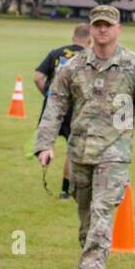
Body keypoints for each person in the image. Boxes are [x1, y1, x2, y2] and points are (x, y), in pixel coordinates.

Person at [35, 4, 135, 269]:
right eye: (97, 25)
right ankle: (91, 254)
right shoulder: (74, 67)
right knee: (86, 215)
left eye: (108, 25)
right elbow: (55, 105)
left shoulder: (134, 66)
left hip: (114, 154)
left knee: (102, 209)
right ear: (90, 29)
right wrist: (45, 144)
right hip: (80, 151)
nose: (103, 30)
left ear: (118, 29)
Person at [33, 24, 90, 200]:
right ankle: (66, 191)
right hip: (75, 109)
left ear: (73, 38)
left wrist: (48, 95)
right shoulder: (88, 57)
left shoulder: (56, 53)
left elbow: (38, 76)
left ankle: (44, 152)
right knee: (72, 150)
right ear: (90, 40)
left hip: (52, 106)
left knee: (46, 141)